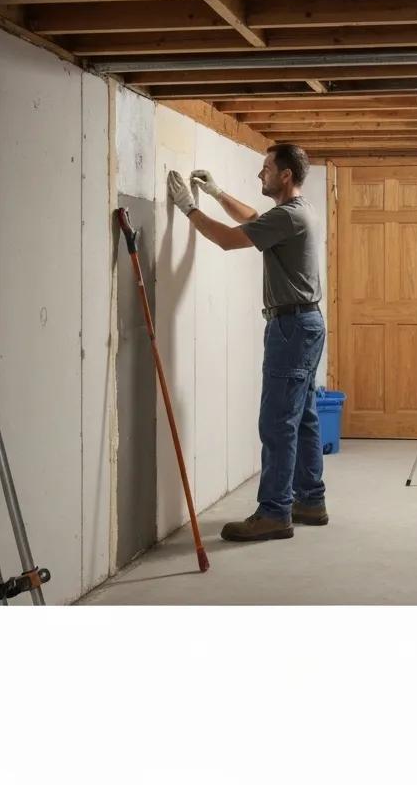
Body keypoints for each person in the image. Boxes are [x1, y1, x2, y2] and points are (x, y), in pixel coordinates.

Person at [167, 143, 327, 542]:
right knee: (302, 416)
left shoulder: (290, 217)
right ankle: (309, 500)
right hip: (305, 323)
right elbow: (255, 219)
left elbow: (226, 239)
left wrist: (189, 208)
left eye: (266, 168)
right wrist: (218, 194)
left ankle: (275, 512)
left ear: (284, 175)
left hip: (290, 327)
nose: (261, 175)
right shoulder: (297, 212)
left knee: (277, 422)